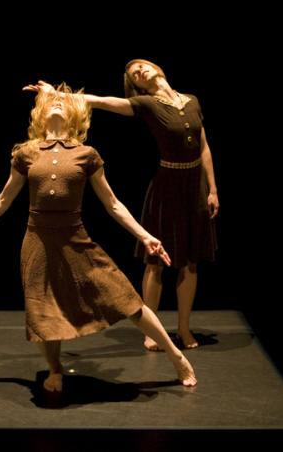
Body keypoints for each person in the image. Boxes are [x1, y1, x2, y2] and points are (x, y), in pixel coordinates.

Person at [0, 84, 197, 390]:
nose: (58, 104)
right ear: (39, 113)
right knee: (44, 313)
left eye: (63, 102)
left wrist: (145, 236)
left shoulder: (86, 154)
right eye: (51, 101)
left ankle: (176, 357)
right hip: (37, 242)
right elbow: (1, 201)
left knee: (126, 300)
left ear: (76, 114)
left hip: (76, 240)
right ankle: (55, 369)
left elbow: (113, 204)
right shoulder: (26, 153)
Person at [24, 60, 219, 351]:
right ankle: (152, 332)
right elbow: (99, 101)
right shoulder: (145, 104)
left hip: (195, 187)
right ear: (135, 85)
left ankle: (183, 328)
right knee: (156, 262)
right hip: (168, 186)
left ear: (158, 67)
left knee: (190, 262)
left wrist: (213, 188)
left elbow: (203, 146)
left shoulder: (191, 100)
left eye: (142, 65)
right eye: (133, 73)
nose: (139, 70)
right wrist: (56, 94)